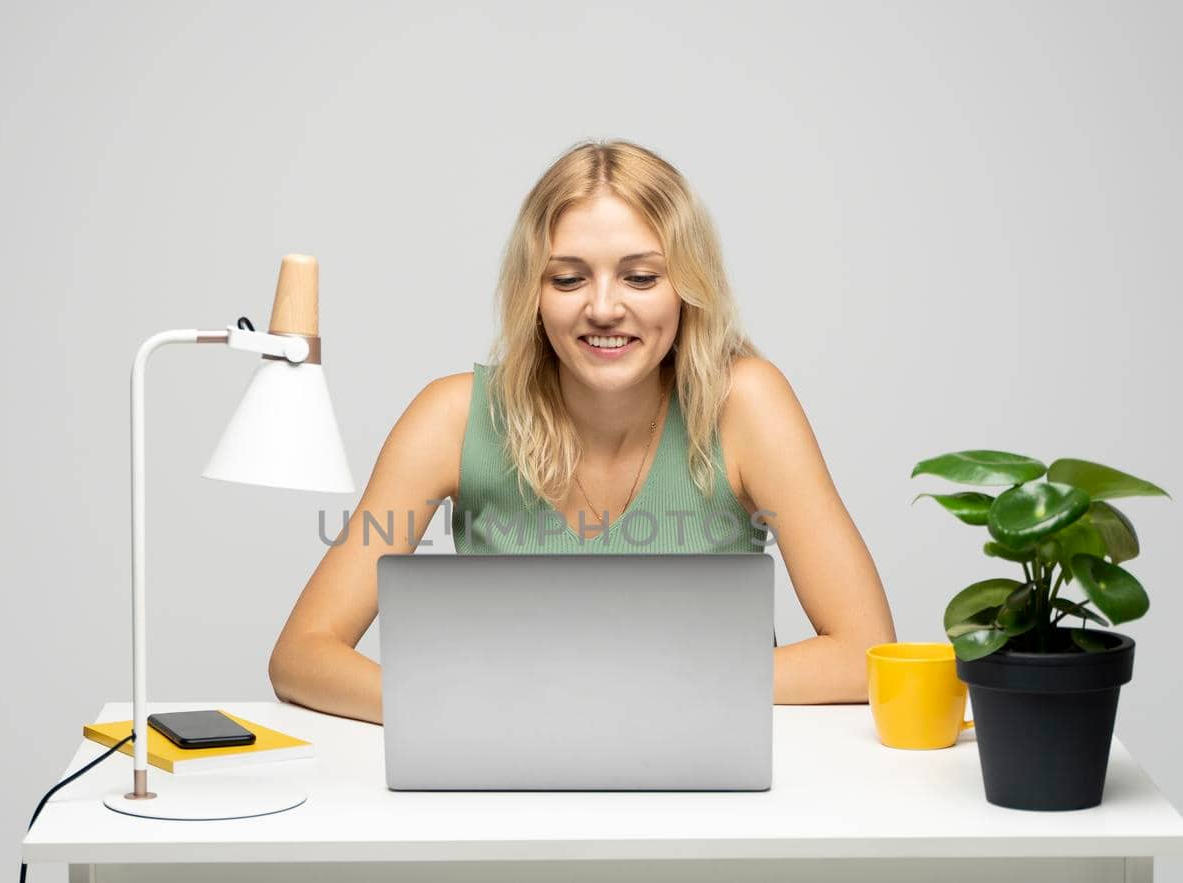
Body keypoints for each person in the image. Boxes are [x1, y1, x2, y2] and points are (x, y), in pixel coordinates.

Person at [270, 139, 896, 724]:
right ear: (532, 293)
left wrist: (605, 693)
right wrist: (465, 712)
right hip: (508, 776)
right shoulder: (454, 416)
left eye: (641, 277)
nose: (602, 307)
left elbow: (865, 654)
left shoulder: (746, 404)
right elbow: (302, 656)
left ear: (688, 287)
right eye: (568, 278)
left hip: (698, 774)